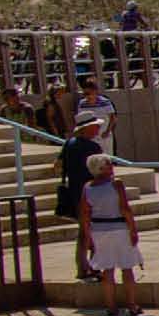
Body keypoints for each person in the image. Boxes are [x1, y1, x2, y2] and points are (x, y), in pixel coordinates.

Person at [78, 154, 144, 316]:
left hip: (99, 229)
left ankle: (111, 307)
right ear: (101, 168)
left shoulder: (87, 187)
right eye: (108, 164)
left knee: (108, 269)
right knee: (127, 267)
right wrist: (133, 229)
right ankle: (132, 305)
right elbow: (125, 208)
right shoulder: (116, 183)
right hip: (119, 228)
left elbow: (85, 214)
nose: (112, 166)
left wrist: (88, 237)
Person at [55, 118, 104, 280]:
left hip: (76, 194)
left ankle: (82, 267)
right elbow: (101, 172)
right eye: (95, 126)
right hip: (92, 194)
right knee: (95, 231)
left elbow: (57, 165)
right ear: (87, 128)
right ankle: (94, 266)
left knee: (83, 232)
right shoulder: (93, 147)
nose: (98, 129)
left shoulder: (69, 144)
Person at [75, 75, 116, 152]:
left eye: (89, 93)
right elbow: (80, 120)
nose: (87, 96)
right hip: (90, 137)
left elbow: (113, 118)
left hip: (104, 136)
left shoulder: (105, 102)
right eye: (85, 94)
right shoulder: (82, 103)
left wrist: (107, 131)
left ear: (95, 91)